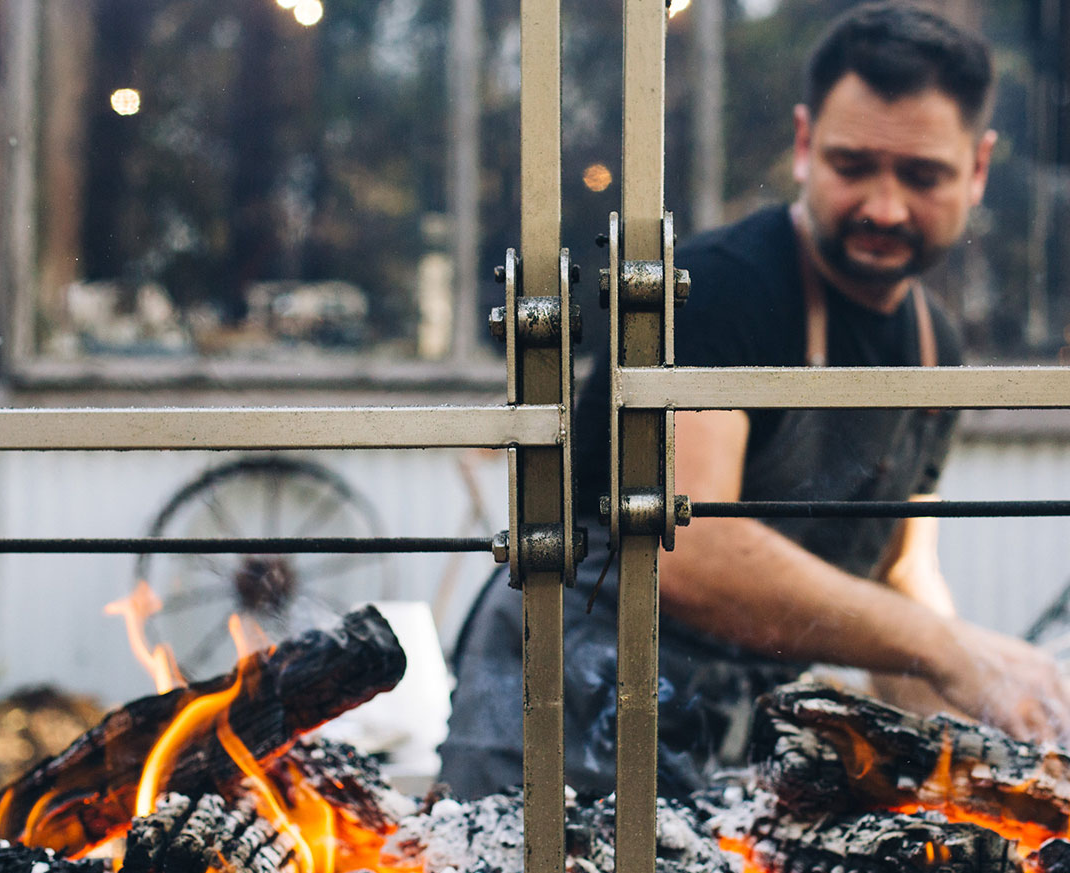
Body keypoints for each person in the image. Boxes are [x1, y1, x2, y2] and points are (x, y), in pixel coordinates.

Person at [439, 1, 1070, 801]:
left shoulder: (931, 343)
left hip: (723, 738)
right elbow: (692, 546)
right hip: (567, 709)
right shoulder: (723, 286)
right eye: (853, 165)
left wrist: (976, 734)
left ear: (977, 169)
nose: (884, 206)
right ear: (806, 146)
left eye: (922, 175)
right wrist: (951, 649)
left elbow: (902, 574)